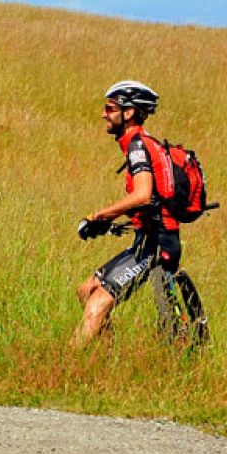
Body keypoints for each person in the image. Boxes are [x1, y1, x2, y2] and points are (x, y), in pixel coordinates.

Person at [72, 80, 182, 347]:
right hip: (147, 238)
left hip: (157, 243)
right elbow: (150, 202)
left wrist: (99, 216)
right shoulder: (140, 145)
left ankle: (67, 363)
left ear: (129, 113)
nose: (104, 114)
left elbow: (142, 194)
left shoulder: (137, 147)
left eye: (110, 108)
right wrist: (112, 223)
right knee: (86, 290)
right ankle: (109, 357)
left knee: (98, 302)